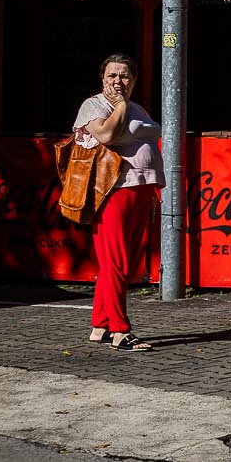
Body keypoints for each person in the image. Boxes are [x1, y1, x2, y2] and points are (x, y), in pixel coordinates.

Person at [73, 53, 161, 351]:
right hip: (113, 191)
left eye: (124, 75)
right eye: (112, 75)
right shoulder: (94, 105)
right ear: (102, 78)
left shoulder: (138, 108)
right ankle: (120, 331)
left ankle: (100, 326)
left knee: (122, 261)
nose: (118, 81)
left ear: (134, 80)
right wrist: (120, 105)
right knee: (116, 262)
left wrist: (152, 191)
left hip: (141, 189)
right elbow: (108, 135)